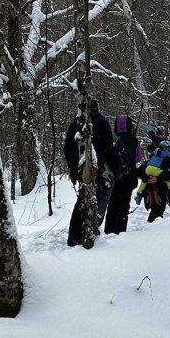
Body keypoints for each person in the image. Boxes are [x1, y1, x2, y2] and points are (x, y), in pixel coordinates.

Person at [65, 99, 116, 246]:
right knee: (92, 201)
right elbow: (108, 149)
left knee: (82, 200)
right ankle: (85, 235)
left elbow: (67, 148)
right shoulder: (100, 123)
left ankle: (76, 236)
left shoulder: (76, 124)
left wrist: (73, 168)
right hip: (95, 170)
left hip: (82, 169)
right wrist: (114, 168)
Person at [103, 113, 141, 235]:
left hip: (116, 178)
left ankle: (109, 230)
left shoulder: (115, 142)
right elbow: (138, 158)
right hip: (128, 179)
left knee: (112, 205)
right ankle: (120, 231)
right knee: (123, 206)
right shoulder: (134, 142)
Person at [135, 139, 170, 223]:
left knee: (155, 210)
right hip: (159, 189)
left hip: (149, 190)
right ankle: (155, 231)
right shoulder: (169, 158)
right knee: (158, 210)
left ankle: (151, 227)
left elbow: (140, 172)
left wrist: (149, 178)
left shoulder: (152, 157)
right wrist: (156, 178)